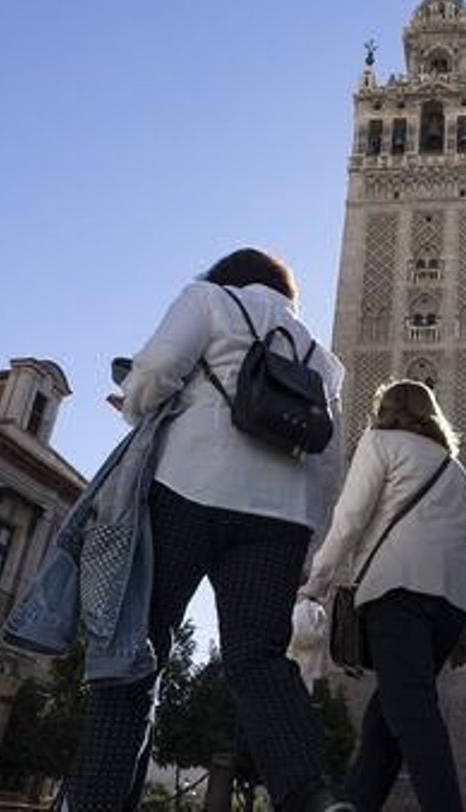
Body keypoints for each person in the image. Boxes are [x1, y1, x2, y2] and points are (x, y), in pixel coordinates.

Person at [64, 248, 353, 812]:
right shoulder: (322, 358)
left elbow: (154, 370)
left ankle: (98, 802)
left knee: (137, 647)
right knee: (260, 659)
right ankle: (312, 799)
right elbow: (330, 465)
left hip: (188, 490)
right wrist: (306, 545)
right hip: (280, 519)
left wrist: (134, 407)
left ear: (227, 277)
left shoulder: (209, 300)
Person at [301, 380, 466, 812]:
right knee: (389, 714)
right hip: (450, 608)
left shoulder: (381, 443)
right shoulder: (456, 470)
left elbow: (350, 519)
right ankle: (356, 802)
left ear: (385, 410)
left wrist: (315, 584)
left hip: (399, 595)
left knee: (411, 711)